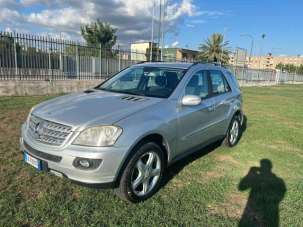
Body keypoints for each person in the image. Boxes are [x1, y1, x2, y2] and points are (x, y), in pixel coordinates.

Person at [238, 159, 286, 227]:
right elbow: (241, 187)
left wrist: (251, 172)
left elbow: (241, 187)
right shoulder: (278, 180)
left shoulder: (277, 180)